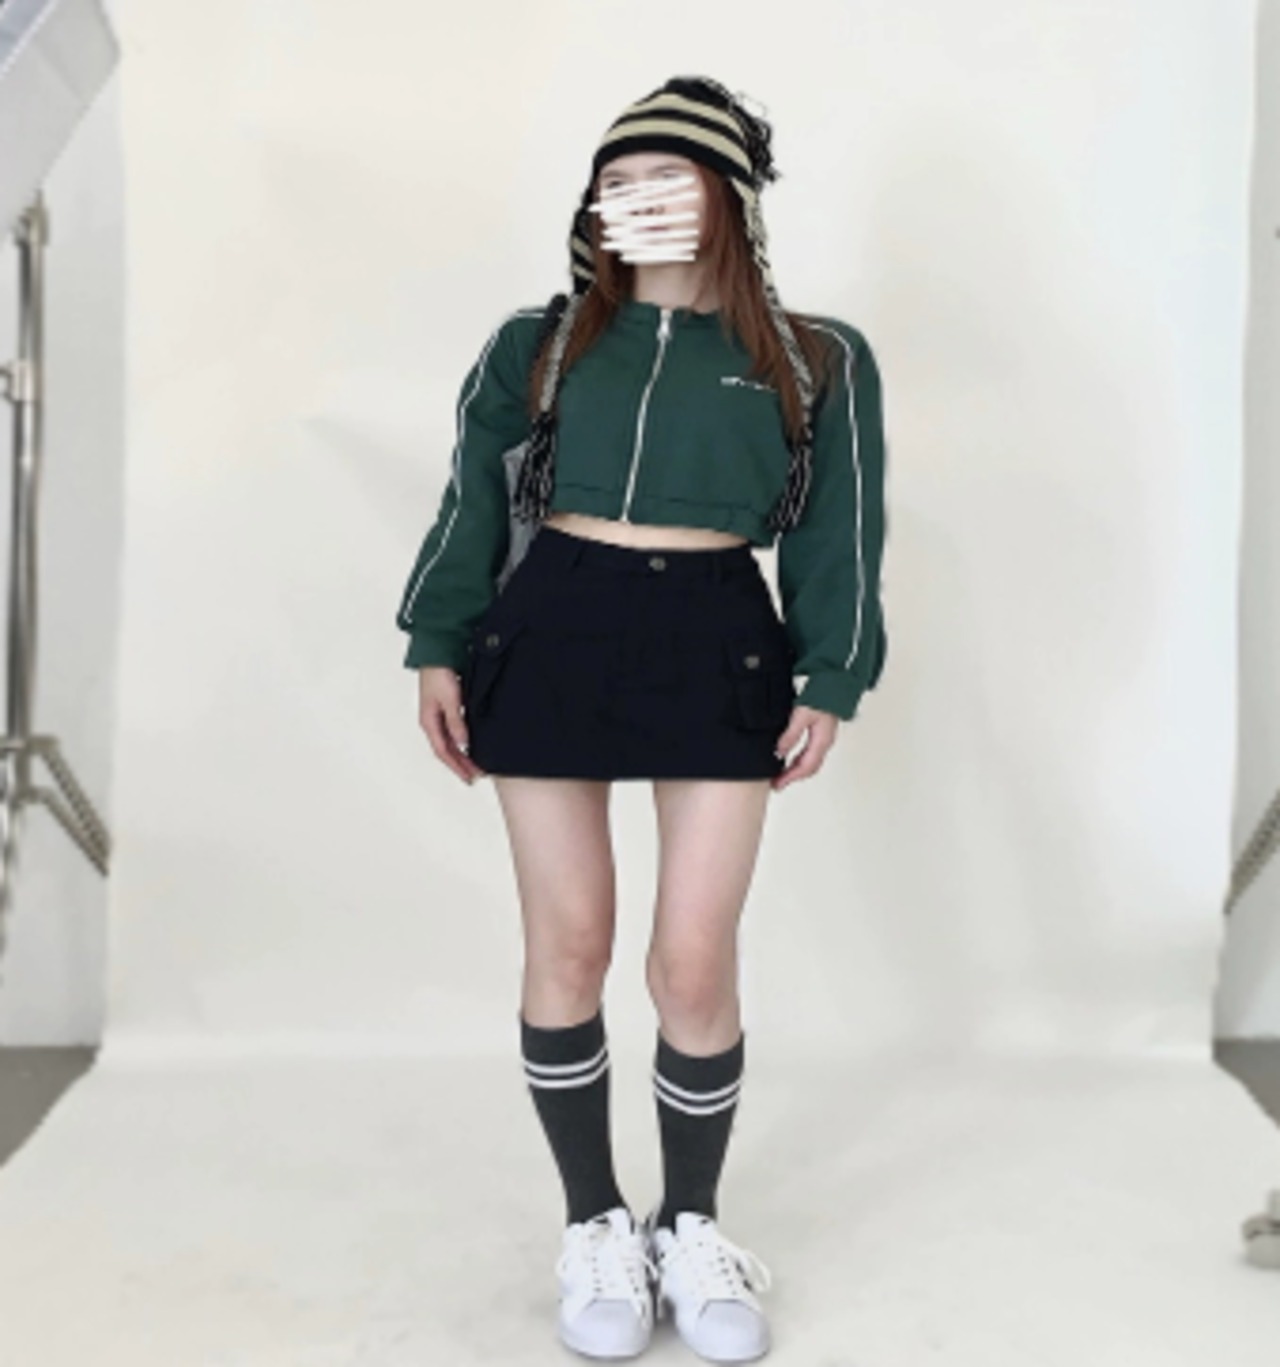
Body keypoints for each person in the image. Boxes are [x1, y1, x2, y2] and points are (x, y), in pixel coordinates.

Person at [395, 75, 888, 1362]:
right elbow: (473, 499)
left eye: (667, 178)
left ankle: (691, 1223)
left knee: (691, 963)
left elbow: (842, 528)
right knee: (568, 944)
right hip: (550, 624)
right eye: (616, 182)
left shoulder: (815, 356)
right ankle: (594, 1223)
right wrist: (436, 644)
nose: (637, 201)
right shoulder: (539, 343)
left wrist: (831, 672)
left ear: (726, 197)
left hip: (715, 635)